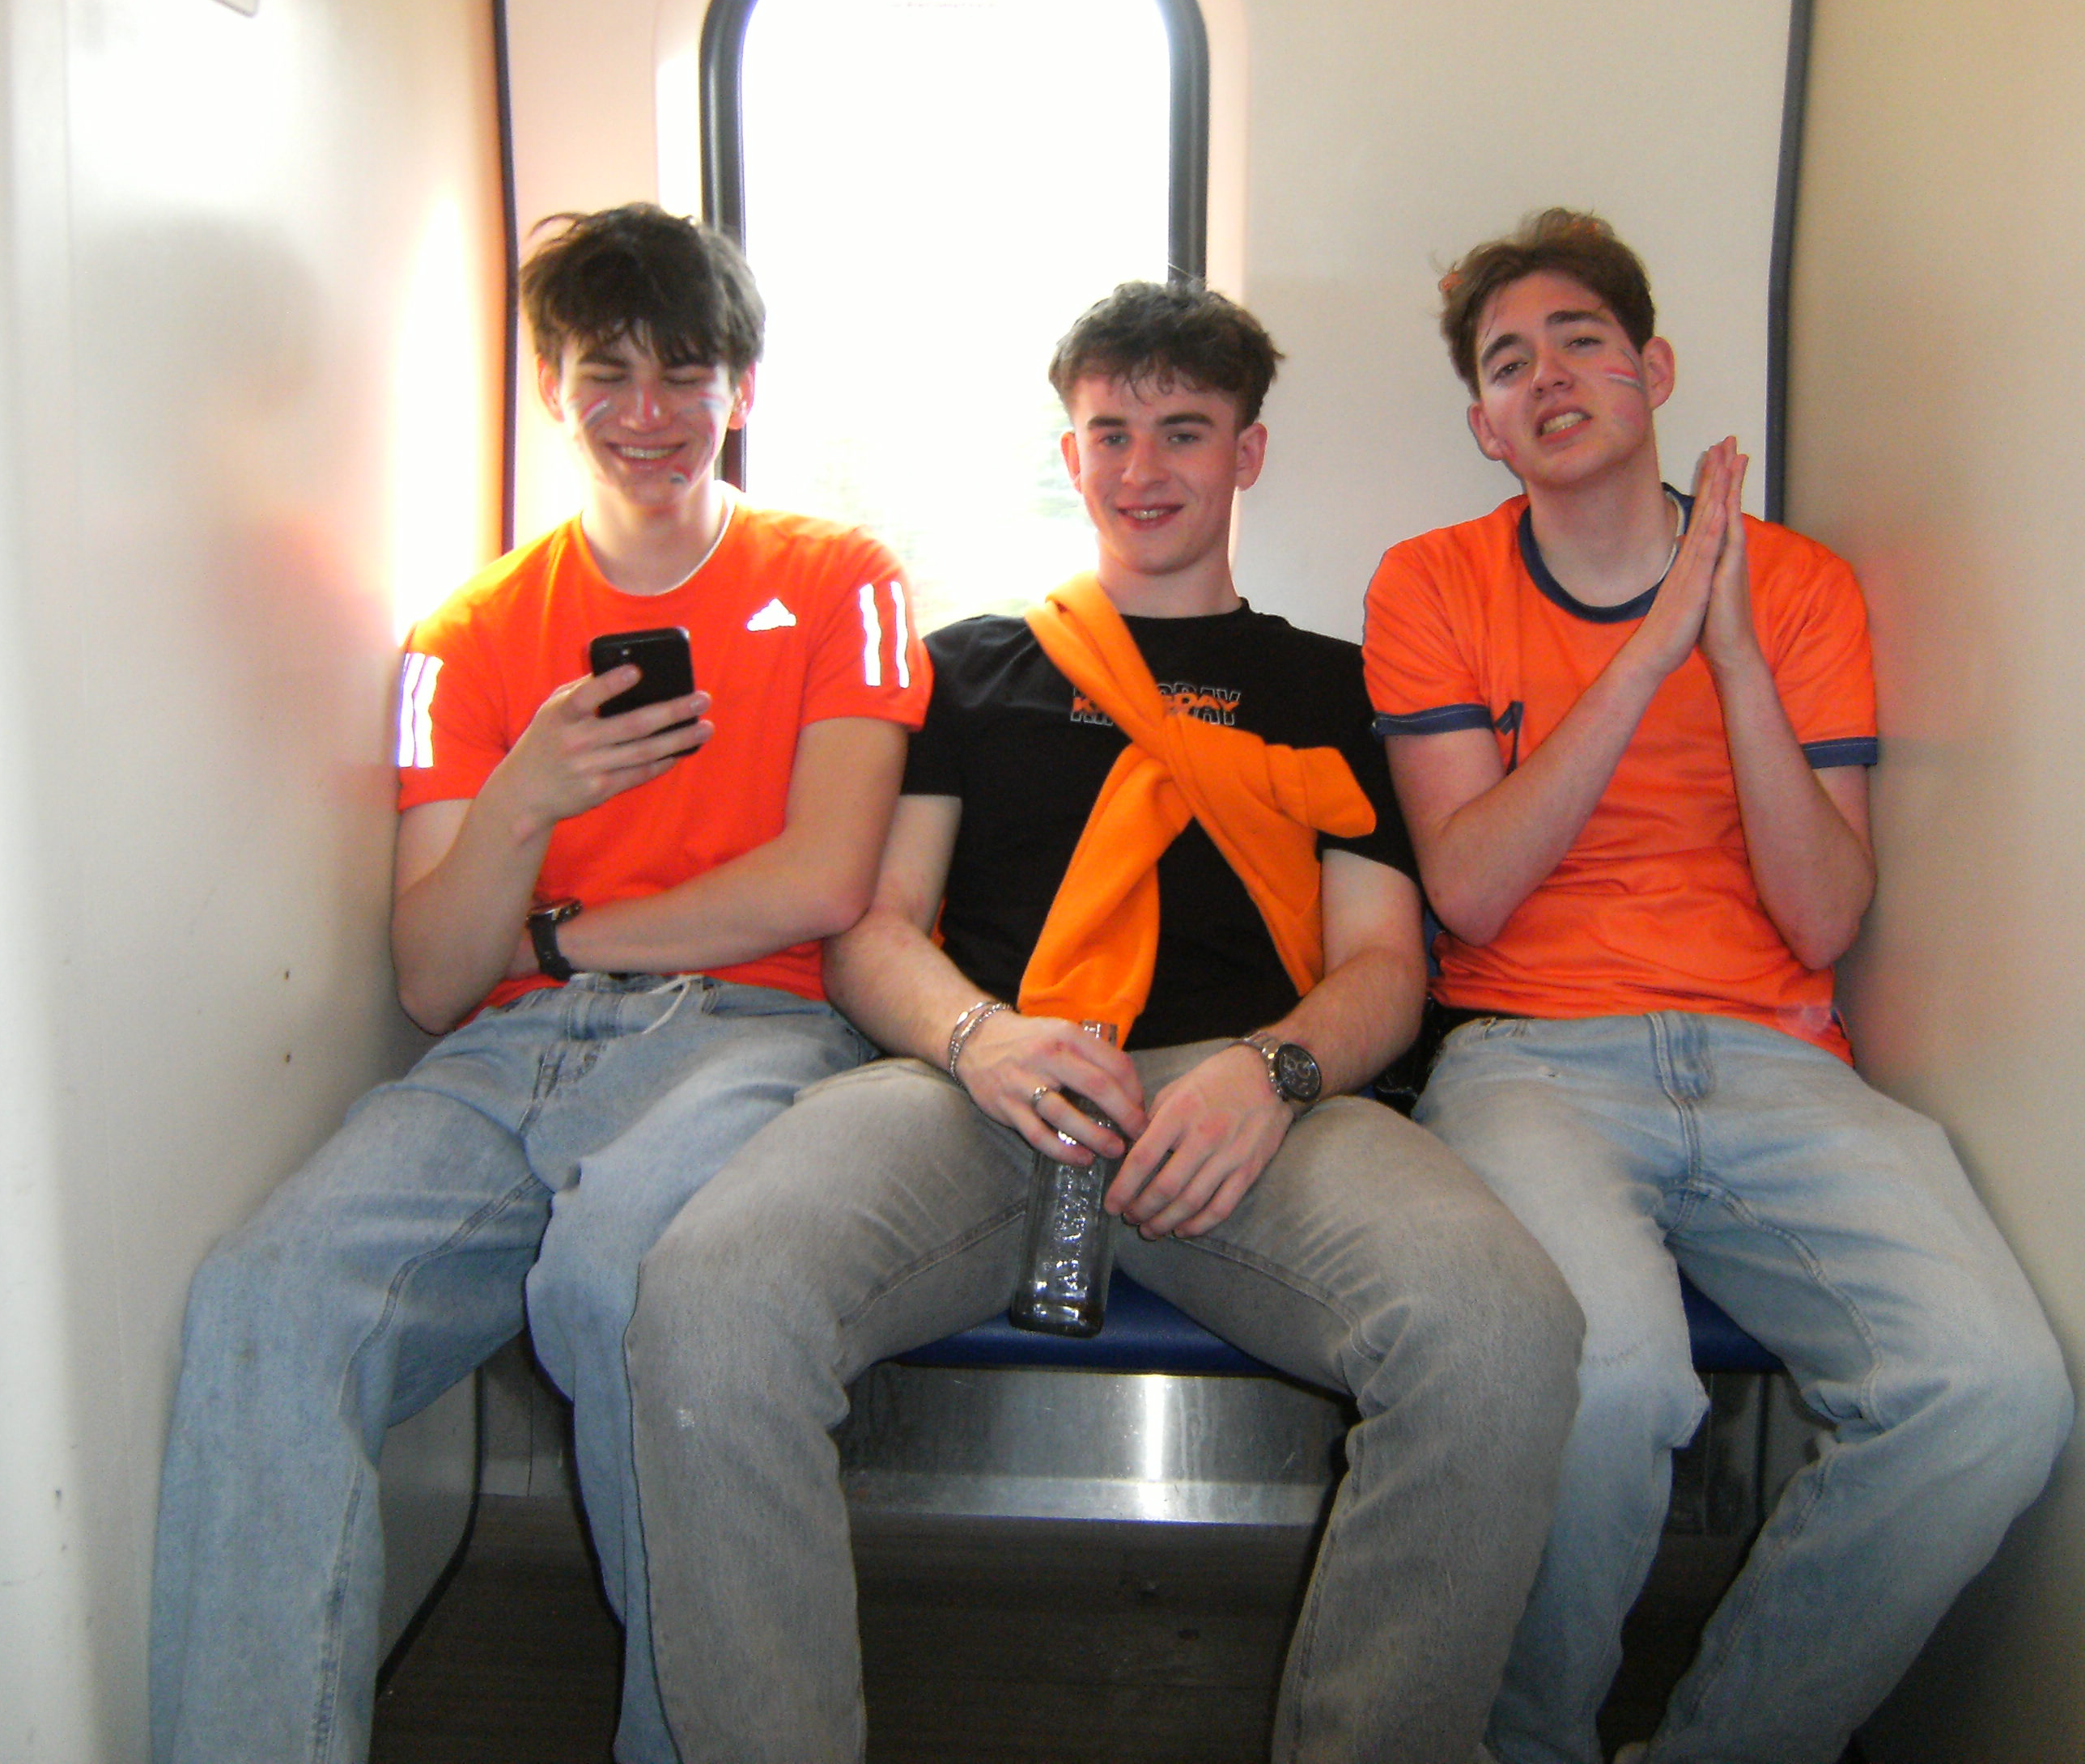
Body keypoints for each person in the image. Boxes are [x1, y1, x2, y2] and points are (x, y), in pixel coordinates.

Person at [624, 280, 1583, 1762]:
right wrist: (979, 1040)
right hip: (983, 1080)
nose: (1145, 468)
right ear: (1069, 457)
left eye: (1185, 432)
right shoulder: (970, 668)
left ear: (1247, 454)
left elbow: (1385, 967)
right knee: (709, 1298)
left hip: (1245, 1102)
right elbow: (876, 930)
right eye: (1112, 434)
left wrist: (1274, 1072)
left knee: (1505, 1330)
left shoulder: (1329, 688)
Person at [147, 204, 927, 1764]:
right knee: (266, 1295)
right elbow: (438, 977)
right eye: (605, 374)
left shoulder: (844, 577)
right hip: (505, 1061)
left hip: (753, 1030)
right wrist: (525, 793)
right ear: (553, 390)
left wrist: (560, 935)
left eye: (685, 372)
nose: (649, 412)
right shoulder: (470, 633)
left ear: (742, 389)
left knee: (618, 1282)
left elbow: (821, 884)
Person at [1362, 209, 2073, 1764]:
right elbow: (1467, 892)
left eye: (1584, 341)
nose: (1549, 376)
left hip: (1774, 1058)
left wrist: (1734, 655)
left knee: (1993, 1392)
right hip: (1531, 1055)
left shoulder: (1800, 589)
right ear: (1486, 429)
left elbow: (1824, 917)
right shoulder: (1432, 583)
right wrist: (1648, 652)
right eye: (1508, 363)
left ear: (1657, 369)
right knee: (1607, 1380)